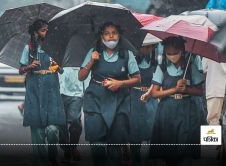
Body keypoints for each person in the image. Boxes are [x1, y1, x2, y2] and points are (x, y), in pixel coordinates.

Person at [78, 21, 141, 166]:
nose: (111, 37)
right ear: (101, 36)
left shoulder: (127, 55)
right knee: (97, 143)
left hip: (119, 101)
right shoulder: (93, 52)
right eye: (107, 33)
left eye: (114, 33)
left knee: (115, 144)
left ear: (119, 35)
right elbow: (81, 76)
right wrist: (91, 62)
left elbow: (138, 79)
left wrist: (120, 83)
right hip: (95, 100)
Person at [19, 19, 68, 166]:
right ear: (35, 33)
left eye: (48, 30)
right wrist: (30, 66)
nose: (46, 32)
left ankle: (52, 156)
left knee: (53, 129)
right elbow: (21, 70)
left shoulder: (55, 47)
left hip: (52, 89)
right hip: (34, 90)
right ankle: (41, 161)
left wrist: (56, 66)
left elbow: (61, 70)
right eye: (43, 30)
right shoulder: (28, 48)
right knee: (38, 132)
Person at [149, 36, 204, 166]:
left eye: (175, 53)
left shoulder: (190, 66)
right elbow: (155, 93)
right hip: (167, 111)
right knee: (169, 151)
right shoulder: (162, 67)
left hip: (187, 111)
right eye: (169, 53)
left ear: (182, 50)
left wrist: (186, 90)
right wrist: (174, 90)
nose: (172, 56)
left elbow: (200, 91)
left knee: (185, 150)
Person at [128, 35, 159, 166]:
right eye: (144, 47)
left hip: (151, 98)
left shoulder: (156, 63)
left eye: (150, 47)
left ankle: (152, 160)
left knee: (152, 128)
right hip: (134, 97)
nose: (147, 49)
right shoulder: (131, 60)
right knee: (135, 130)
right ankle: (135, 159)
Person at [59, 66, 90, 162]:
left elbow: (87, 70)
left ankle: (72, 147)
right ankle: (67, 149)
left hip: (77, 92)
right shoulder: (59, 54)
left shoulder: (81, 55)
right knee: (61, 122)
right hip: (60, 91)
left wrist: (87, 89)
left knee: (75, 120)